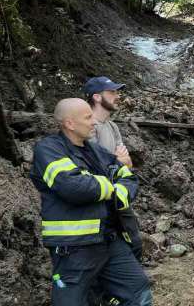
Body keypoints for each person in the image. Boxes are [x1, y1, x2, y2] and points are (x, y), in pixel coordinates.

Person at [30, 98, 151, 306]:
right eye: (88, 117)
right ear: (69, 123)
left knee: (137, 291)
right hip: (73, 248)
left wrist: (108, 189)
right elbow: (73, 187)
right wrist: (110, 186)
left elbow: (128, 177)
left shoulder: (95, 151)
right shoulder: (48, 149)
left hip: (109, 241)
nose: (94, 122)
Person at [83, 76, 142, 260]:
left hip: (119, 197)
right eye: (112, 92)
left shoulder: (113, 127)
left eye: (117, 91)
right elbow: (93, 165)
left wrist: (118, 162)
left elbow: (127, 163)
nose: (117, 96)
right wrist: (117, 162)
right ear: (97, 97)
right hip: (99, 202)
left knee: (135, 243)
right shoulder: (87, 128)